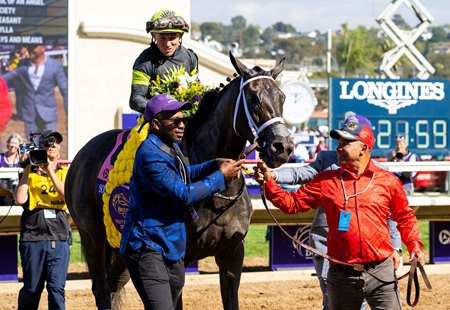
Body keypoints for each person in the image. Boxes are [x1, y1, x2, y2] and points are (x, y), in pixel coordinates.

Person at [255, 114, 425, 309]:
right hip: (341, 275)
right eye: (339, 142)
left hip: (381, 273)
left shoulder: (387, 181)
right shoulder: (325, 181)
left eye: (345, 143)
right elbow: (292, 204)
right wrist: (269, 182)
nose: (338, 147)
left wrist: (414, 246)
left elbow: (404, 216)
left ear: (363, 147)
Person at [119, 94, 244, 309]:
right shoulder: (150, 154)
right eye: (175, 121)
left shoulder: (171, 145)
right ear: (156, 124)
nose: (182, 125)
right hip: (147, 245)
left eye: (183, 119)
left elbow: (186, 173)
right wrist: (221, 177)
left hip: (172, 245)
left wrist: (214, 164)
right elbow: (183, 193)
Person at [13, 130, 70, 310]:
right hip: (33, 237)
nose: (53, 145)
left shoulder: (64, 172)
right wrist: (27, 169)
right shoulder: (30, 173)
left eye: (56, 143)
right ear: (41, 147)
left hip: (58, 237)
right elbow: (20, 199)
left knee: (56, 287)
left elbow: (67, 196)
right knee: (32, 288)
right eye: (48, 143)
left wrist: (49, 171)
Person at [129, 9, 198, 113]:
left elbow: (195, 91)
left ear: (180, 36)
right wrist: (162, 112)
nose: (168, 44)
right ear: (153, 36)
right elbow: (135, 100)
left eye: (172, 38)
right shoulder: (143, 62)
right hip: (156, 120)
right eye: (162, 38)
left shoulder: (191, 57)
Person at [3, 41, 68, 135]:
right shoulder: (23, 65)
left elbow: (65, 90)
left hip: (48, 115)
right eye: (29, 46)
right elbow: (7, 78)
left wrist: (69, 115)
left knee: (49, 146)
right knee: (33, 147)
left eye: (34, 47)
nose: (30, 49)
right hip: (30, 116)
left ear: (42, 48)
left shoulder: (55, 66)